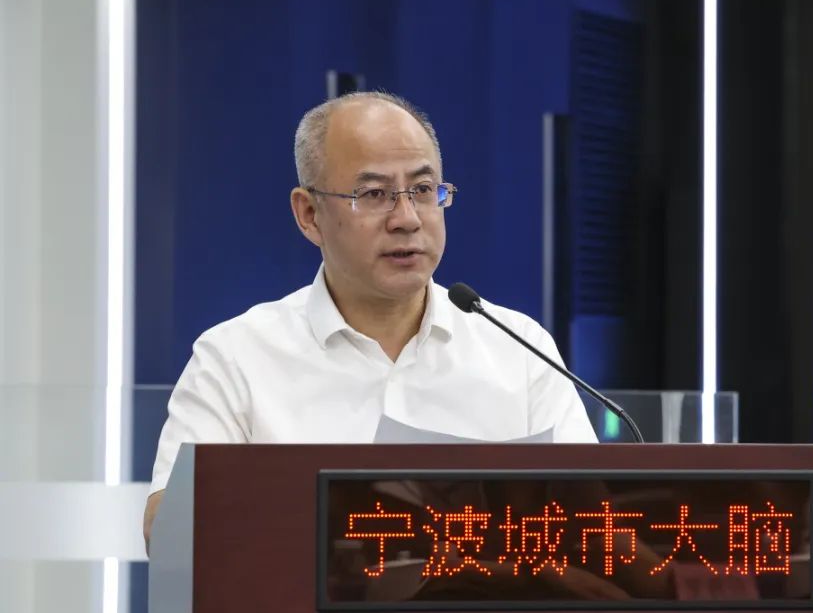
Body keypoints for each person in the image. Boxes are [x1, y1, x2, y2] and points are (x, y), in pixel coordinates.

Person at [143, 91, 597, 547]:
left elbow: (592, 525)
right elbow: (168, 534)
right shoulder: (236, 357)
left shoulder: (519, 348)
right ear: (309, 214)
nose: (407, 219)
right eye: (374, 194)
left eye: (423, 190)